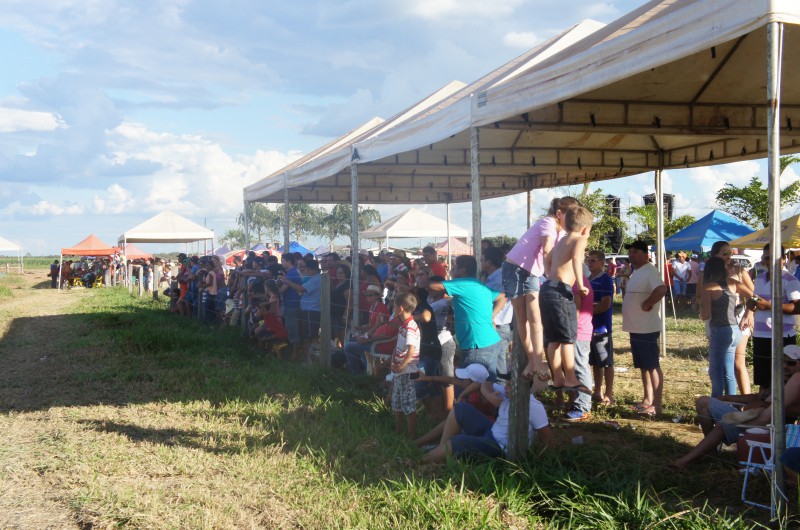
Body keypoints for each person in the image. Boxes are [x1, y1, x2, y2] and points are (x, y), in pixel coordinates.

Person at [671, 345, 800, 470]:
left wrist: (763, 405)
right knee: (703, 402)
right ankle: (710, 449)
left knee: (723, 424)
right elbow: (757, 396)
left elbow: (789, 409)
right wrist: (728, 398)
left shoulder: (796, 383)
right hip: (750, 414)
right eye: (782, 361)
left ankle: (684, 461)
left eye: (791, 363)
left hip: (767, 424)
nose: (785, 366)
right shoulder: (777, 376)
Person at [502, 197, 580, 381]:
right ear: (559, 214)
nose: (572, 220)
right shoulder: (548, 223)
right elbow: (547, 250)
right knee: (522, 317)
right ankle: (534, 361)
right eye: (570, 216)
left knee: (535, 317)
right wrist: (550, 275)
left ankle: (536, 361)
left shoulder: (563, 231)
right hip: (514, 268)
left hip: (532, 273)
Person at [422, 379, 552, 462]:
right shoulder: (508, 394)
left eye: (510, 385)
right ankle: (440, 450)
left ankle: (421, 461)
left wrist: (542, 461)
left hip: (500, 447)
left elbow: (547, 437)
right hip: (491, 430)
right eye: (506, 384)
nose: (505, 388)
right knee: (460, 408)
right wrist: (489, 395)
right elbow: (485, 383)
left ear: (522, 387)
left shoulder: (534, 406)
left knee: (458, 442)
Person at [538, 205, 593, 393]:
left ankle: (558, 378)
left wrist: (549, 275)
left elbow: (547, 259)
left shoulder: (562, 240)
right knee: (568, 338)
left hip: (547, 289)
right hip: (561, 291)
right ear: (585, 229)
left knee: (553, 338)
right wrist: (581, 283)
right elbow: (577, 259)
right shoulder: (580, 239)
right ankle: (570, 378)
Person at [428, 255, 504, 383]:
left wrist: (420, 282)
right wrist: (491, 317)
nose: (452, 270)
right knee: (486, 387)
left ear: (463, 270)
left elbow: (433, 286)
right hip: (488, 343)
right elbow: (502, 296)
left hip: (476, 346)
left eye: (455, 267)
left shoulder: (464, 283)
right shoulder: (477, 284)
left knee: (468, 388)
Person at [622, 240, 667, 417]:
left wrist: (648, 303)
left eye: (635, 252)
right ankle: (647, 399)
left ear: (646, 255)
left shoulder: (650, 270)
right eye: (630, 252)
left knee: (652, 365)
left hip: (646, 328)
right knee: (643, 366)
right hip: (636, 327)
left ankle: (657, 404)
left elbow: (661, 289)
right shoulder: (637, 271)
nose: (631, 255)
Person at [746, 244, 800, 391]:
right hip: (760, 335)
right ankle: (763, 404)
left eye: (773, 258)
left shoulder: (790, 280)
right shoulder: (759, 278)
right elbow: (757, 299)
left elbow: (797, 307)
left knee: (782, 382)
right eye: (766, 258)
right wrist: (751, 303)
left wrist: (769, 306)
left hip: (781, 336)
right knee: (764, 381)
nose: (769, 261)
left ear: (783, 258)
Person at [706, 241, 755, 395]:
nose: (729, 256)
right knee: (728, 370)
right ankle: (732, 402)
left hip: (725, 327)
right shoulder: (732, 282)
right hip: (734, 329)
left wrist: (748, 313)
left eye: (730, 252)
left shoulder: (711, 285)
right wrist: (752, 309)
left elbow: (705, 315)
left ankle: (718, 404)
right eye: (725, 253)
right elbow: (755, 296)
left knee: (719, 371)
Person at [391, 291, 420, 438]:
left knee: (408, 404)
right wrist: (393, 361)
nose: (393, 309)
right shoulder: (403, 326)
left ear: (401, 308)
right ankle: (398, 431)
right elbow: (398, 347)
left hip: (408, 372)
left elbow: (411, 351)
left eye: (394, 306)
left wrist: (402, 366)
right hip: (400, 370)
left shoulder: (410, 327)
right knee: (397, 402)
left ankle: (411, 435)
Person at [588, 250, 615, 406]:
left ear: (602, 262)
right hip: (589, 328)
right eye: (588, 260)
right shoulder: (587, 279)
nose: (589, 263)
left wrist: (588, 313)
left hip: (601, 327)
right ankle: (597, 391)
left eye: (593, 260)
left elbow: (606, 303)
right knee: (595, 362)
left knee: (606, 362)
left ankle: (608, 394)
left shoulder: (605, 279)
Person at [343, 284, 390, 374]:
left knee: (350, 346)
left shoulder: (380, 307)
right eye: (366, 295)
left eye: (370, 295)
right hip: (374, 336)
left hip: (378, 339)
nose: (367, 298)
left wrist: (365, 334)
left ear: (377, 296)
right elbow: (371, 324)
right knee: (352, 340)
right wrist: (362, 328)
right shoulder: (372, 307)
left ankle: (357, 372)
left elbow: (378, 325)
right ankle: (362, 370)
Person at [481, 246, 513, 377]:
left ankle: (501, 388)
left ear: (488, 262)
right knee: (493, 364)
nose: (481, 263)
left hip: (498, 325)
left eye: (482, 260)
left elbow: (503, 298)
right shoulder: (494, 277)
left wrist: (491, 317)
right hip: (496, 325)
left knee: (498, 366)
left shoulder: (499, 278)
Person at [278, 253, 303, 361]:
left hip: (291, 305)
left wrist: (274, 288)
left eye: (283, 261)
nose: (282, 263)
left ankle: (295, 353)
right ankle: (295, 351)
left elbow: (282, 290)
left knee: (292, 328)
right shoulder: (292, 272)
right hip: (294, 303)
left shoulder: (291, 273)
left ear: (288, 261)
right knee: (293, 328)